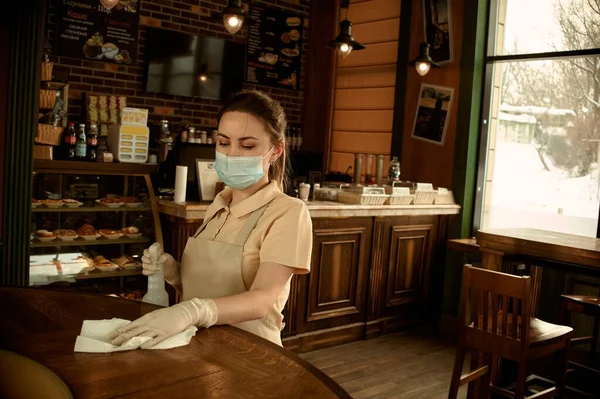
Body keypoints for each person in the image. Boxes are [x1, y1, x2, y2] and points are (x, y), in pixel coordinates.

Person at [108, 90, 313, 348]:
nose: (232, 154)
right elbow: (207, 292)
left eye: (247, 145)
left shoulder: (287, 212)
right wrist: (173, 273)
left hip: (251, 355)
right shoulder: (217, 205)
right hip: (197, 349)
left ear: (276, 151)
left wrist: (191, 311)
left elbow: (261, 300)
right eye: (223, 142)